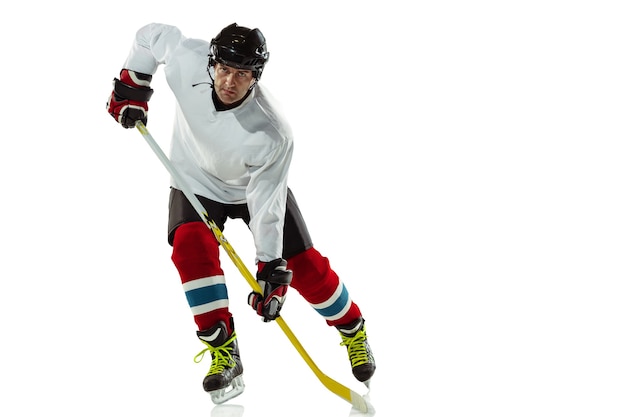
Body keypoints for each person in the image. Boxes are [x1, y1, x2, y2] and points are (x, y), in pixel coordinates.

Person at [107, 22, 375, 403]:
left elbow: (266, 204)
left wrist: (270, 268)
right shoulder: (187, 60)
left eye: (243, 74)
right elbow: (151, 35)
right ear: (212, 62)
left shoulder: (272, 132)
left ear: (256, 76)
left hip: (251, 191)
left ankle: (353, 328)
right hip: (194, 179)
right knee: (189, 248)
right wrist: (133, 86)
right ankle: (224, 350)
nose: (230, 81)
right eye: (225, 69)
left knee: (306, 267)